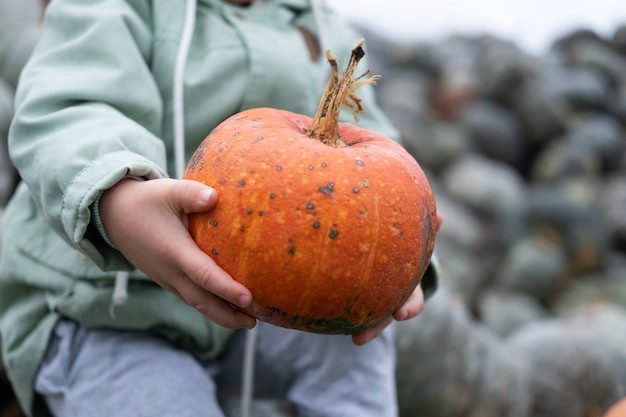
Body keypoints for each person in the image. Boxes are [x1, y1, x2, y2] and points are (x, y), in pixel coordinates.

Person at [0, 0, 442, 416]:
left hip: (253, 309)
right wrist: (116, 197)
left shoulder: (318, 21)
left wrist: (405, 251)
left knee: (351, 357)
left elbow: (379, 156)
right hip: (100, 305)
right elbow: (69, 106)